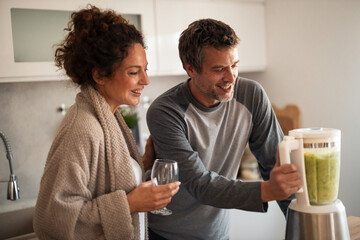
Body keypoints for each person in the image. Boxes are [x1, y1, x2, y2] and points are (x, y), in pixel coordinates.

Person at [33, 5, 180, 240]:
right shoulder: (82, 128)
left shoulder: (108, 117)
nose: (146, 80)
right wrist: (129, 204)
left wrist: (142, 164)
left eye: (145, 70)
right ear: (100, 74)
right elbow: (54, 221)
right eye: (134, 72)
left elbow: (107, 182)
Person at [146, 18, 301, 240]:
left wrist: (300, 229)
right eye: (219, 69)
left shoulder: (252, 95)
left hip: (217, 233)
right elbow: (200, 184)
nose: (231, 77)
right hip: (166, 234)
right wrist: (268, 190)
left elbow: (277, 164)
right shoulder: (165, 111)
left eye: (235, 65)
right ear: (190, 68)